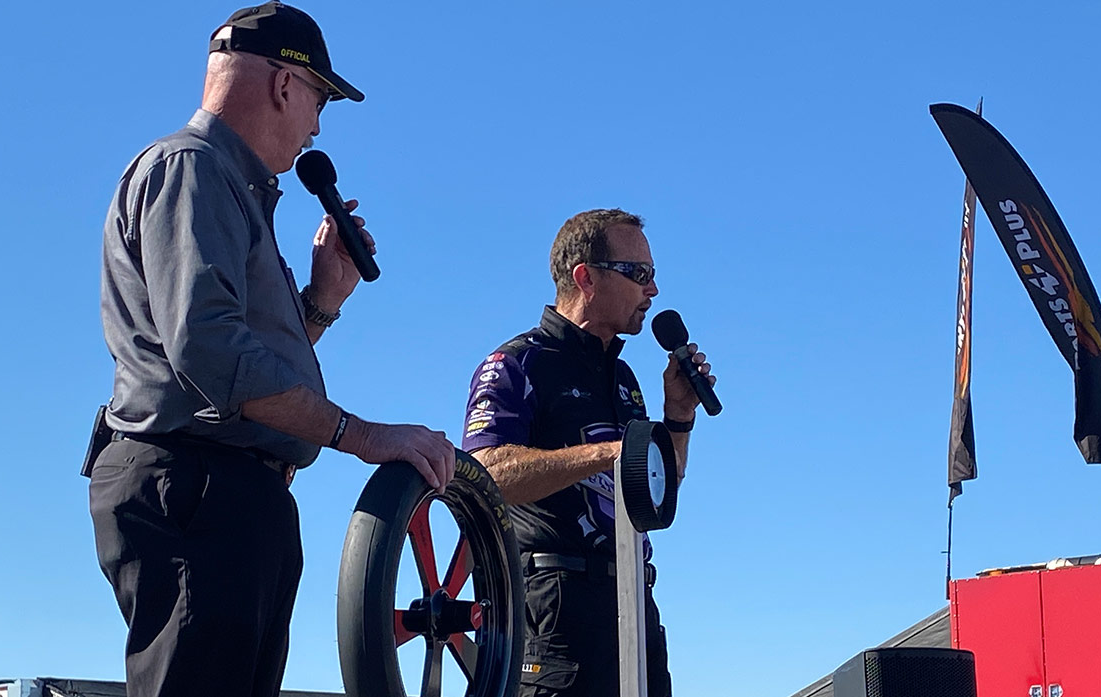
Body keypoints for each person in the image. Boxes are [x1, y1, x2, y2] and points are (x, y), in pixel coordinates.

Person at [87, 4, 454, 696]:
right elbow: (212, 354)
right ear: (287, 84)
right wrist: (365, 436)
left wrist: (321, 302)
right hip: (198, 486)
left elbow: (230, 361)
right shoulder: (190, 169)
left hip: (231, 494)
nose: (317, 123)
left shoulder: (229, 190)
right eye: (320, 99)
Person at [461, 208, 716, 697]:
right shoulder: (516, 364)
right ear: (586, 278)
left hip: (634, 606)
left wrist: (678, 417)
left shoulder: (624, 379)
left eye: (653, 276)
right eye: (639, 274)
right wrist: (608, 453)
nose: (653, 291)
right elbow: (486, 472)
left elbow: (657, 490)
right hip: (554, 608)